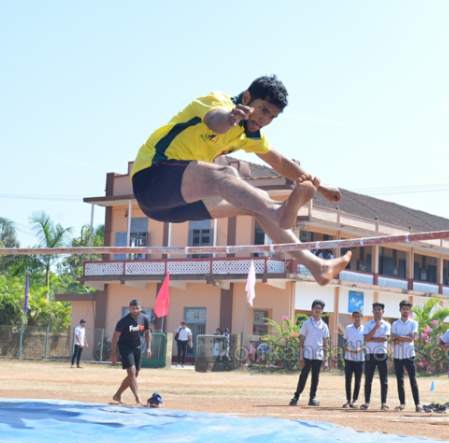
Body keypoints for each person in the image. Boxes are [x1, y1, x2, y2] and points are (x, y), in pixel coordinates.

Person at [130, 75, 351, 285]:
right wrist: (230, 118)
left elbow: (280, 163)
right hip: (152, 176)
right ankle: (278, 211)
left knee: (255, 203)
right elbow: (215, 121)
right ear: (246, 97)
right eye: (263, 110)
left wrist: (320, 187)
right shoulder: (217, 101)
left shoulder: (250, 133)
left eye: (271, 117)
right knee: (225, 175)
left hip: (166, 207)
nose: (264, 120)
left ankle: (317, 267)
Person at [111, 299, 151, 405]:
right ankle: (137, 398)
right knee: (131, 372)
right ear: (129, 309)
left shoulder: (145, 319)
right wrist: (114, 353)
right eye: (133, 308)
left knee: (134, 374)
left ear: (140, 308)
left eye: (137, 308)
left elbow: (147, 333)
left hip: (138, 348)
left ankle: (117, 395)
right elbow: (115, 337)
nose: (135, 310)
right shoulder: (123, 321)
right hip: (125, 347)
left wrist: (148, 348)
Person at [290, 300, 330, 406]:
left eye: (320, 308)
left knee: (315, 378)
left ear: (322, 311)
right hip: (307, 355)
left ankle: (312, 398)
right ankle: (296, 397)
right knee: (303, 376)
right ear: (312, 309)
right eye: (316, 308)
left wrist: (326, 359)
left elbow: (326, 343)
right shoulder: (306, 323)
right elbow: (302, 340)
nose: (317, 310)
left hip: (318, 356)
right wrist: (301, 356)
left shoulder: (324, 326)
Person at [391, 300, 422, 412]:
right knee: (400, 381)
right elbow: (392, 338)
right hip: (398, 356)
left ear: (409, 311)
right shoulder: (395, 324)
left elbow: (412, 338)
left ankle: (418, 404)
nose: (405, 311)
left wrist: (399, 337)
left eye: (407, 309)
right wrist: (404, 338)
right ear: (400, 310)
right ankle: (402, 403)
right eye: (403, 308)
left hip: (409, 355)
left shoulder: (414, 323)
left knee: (413, 380)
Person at [361, 302, 391, 411]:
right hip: (370, 354)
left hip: (382, 354)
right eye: (375, 310)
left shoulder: (387, 325)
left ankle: (384, 403)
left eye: (379, 310)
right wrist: (376, 327)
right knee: (368, 379)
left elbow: (384, 338)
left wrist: (371, 338)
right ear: (372, 311)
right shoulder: (368, 324)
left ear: (383, 312)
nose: (377, 311)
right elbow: (365, 338)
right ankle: (366, 402)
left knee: (384, 380)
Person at [342, 310, 365, 408]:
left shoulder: (365, 329)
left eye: (359, 316)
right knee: (348, 380)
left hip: (360, 359)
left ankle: (354, 400)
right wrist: (345, 347)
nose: (357, 318)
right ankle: (348, 400)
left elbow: (367, 343)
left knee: (358, 381)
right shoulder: (348, 328)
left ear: (361, 317)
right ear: (352, 317)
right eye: (355, 316)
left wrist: (361, 348)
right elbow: (345, 341)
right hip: (348, 358)